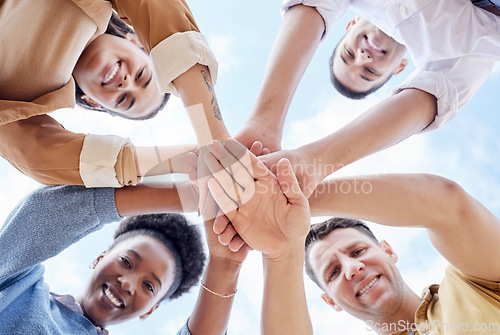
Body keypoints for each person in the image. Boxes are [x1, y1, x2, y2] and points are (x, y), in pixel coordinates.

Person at [202, 140, 500, 335]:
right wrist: (281, 251)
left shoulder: (472, 287)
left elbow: (446, 205)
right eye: (332, 272)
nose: (352, 268)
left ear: (388, 250)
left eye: (357, 251)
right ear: (330, 301)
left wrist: (296, 198)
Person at [236, 0, 500, 196]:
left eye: (348, 54)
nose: (362, 58)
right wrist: (314, 163)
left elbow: (315, 5)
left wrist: (264, 122)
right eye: (369, 72)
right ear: (399, 70)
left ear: (349, 25)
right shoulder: (456, 53)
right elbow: (430, 98)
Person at [0, 0, 230, 188]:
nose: (126, 84)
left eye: (123, 100)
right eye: (141, 74)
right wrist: (215, 138)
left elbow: (39, 155)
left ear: (94, 102)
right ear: (137, 41)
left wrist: (194, 160)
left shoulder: (20, 104)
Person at [0, 179, 249, 335]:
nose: (128, 284)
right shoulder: (21, 286)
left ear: (150, 311)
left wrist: (225, 265)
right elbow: (41, 214)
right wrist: (194, 195)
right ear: (101, 257)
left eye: (149, 286)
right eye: (126, 262)